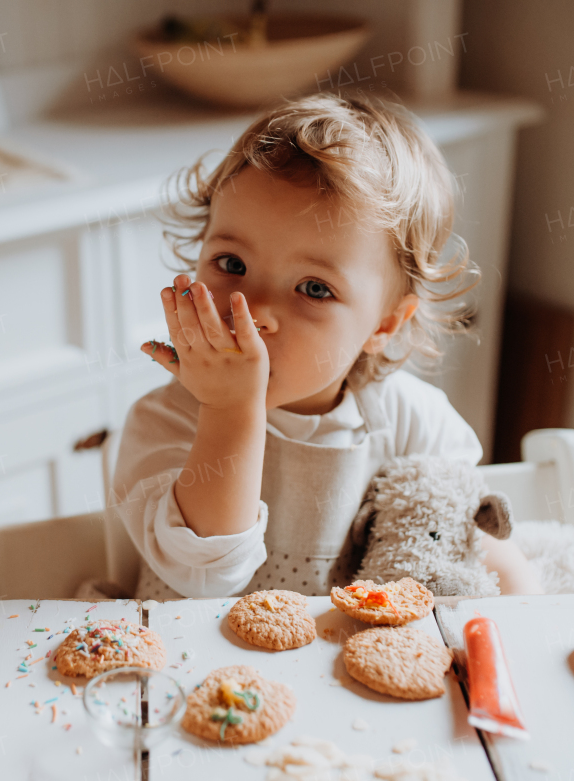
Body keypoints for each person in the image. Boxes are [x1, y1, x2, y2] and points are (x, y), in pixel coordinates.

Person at [114, 91, 543, 601]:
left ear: (384, 324)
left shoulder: (412, 422)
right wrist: (229, 409)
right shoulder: (167, 420)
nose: (251, 311)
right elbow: (204, 576)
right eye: (232, 265)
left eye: (314, 288)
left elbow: (467, 543)